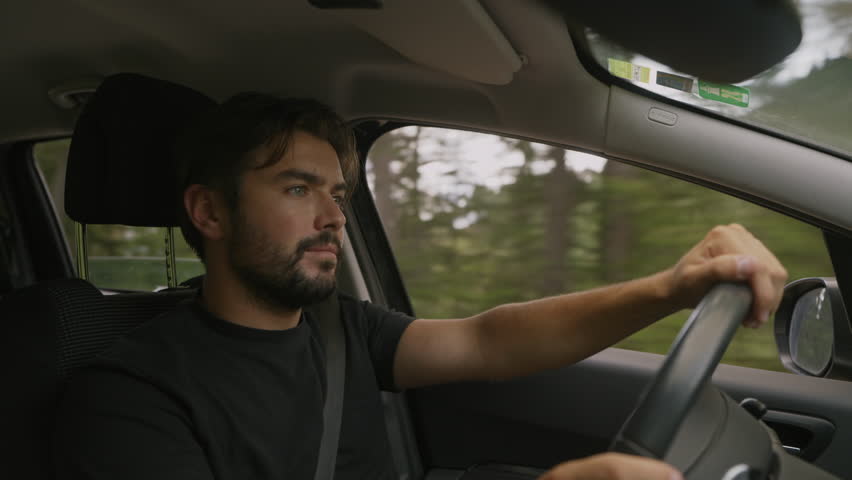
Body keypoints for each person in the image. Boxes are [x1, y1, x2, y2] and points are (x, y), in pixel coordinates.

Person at [54, 93, 787, 480]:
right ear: (209, 211)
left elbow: (488, 339)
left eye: (337, 193)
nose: (332, 217)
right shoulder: (128, 396)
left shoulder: (340, 327)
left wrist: (670, 287)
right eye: (297, 187)